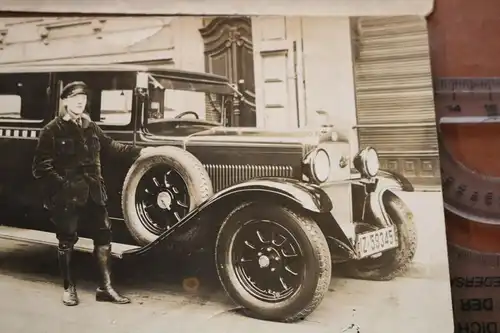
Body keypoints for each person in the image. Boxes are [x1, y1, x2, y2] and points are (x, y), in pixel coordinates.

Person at [32, 81, 154, 306]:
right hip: (68, 196)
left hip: (95, 194)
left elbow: (112, 147)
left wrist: (144, 151)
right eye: (75, 98)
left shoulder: (91, 126)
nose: (80, 102)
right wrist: (64, 186)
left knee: (104, 237)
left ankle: (105, 288)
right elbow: (41, 168)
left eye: (84, 98)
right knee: (67, 241)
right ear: (65, 101)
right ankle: (69, 289)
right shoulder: (52, 130)